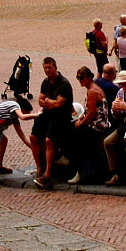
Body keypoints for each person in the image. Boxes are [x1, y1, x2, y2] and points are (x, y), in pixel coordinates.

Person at [30, 57, 73, 188]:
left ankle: (48, 174)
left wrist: (48, 102)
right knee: (33, 137)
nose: (48, 70)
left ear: (55, 67)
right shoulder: (45, 82)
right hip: (48, 114)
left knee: (49, 140)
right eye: (45, 68)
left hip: (61, 116)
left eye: (50, 67)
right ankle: (39, 169)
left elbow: (60, 104)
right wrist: (50, 103)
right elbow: (41, 101)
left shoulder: (64, 83)